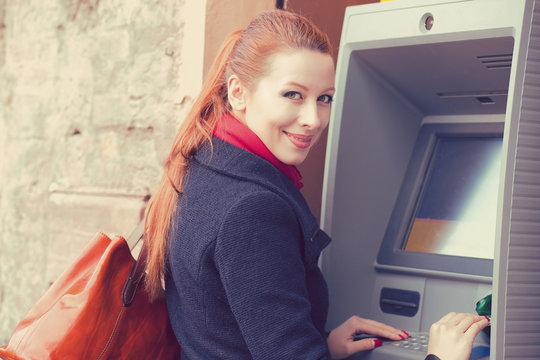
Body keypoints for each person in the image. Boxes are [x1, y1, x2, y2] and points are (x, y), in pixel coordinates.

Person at [143, 9, 489, 360]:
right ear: (238, 92)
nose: (313, 119)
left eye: (324, 98)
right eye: (293, 94)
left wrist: (316, 346)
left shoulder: (203, 165)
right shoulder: (253, 209)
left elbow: (227, 328)